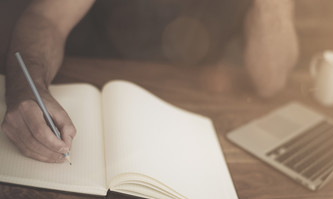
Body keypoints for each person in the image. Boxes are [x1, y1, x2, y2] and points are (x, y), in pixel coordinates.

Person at [1, 0, 299, 163]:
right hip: (93, 94)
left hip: (197, 124)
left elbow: (270, 81)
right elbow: (46, 18)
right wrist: (27, 88)